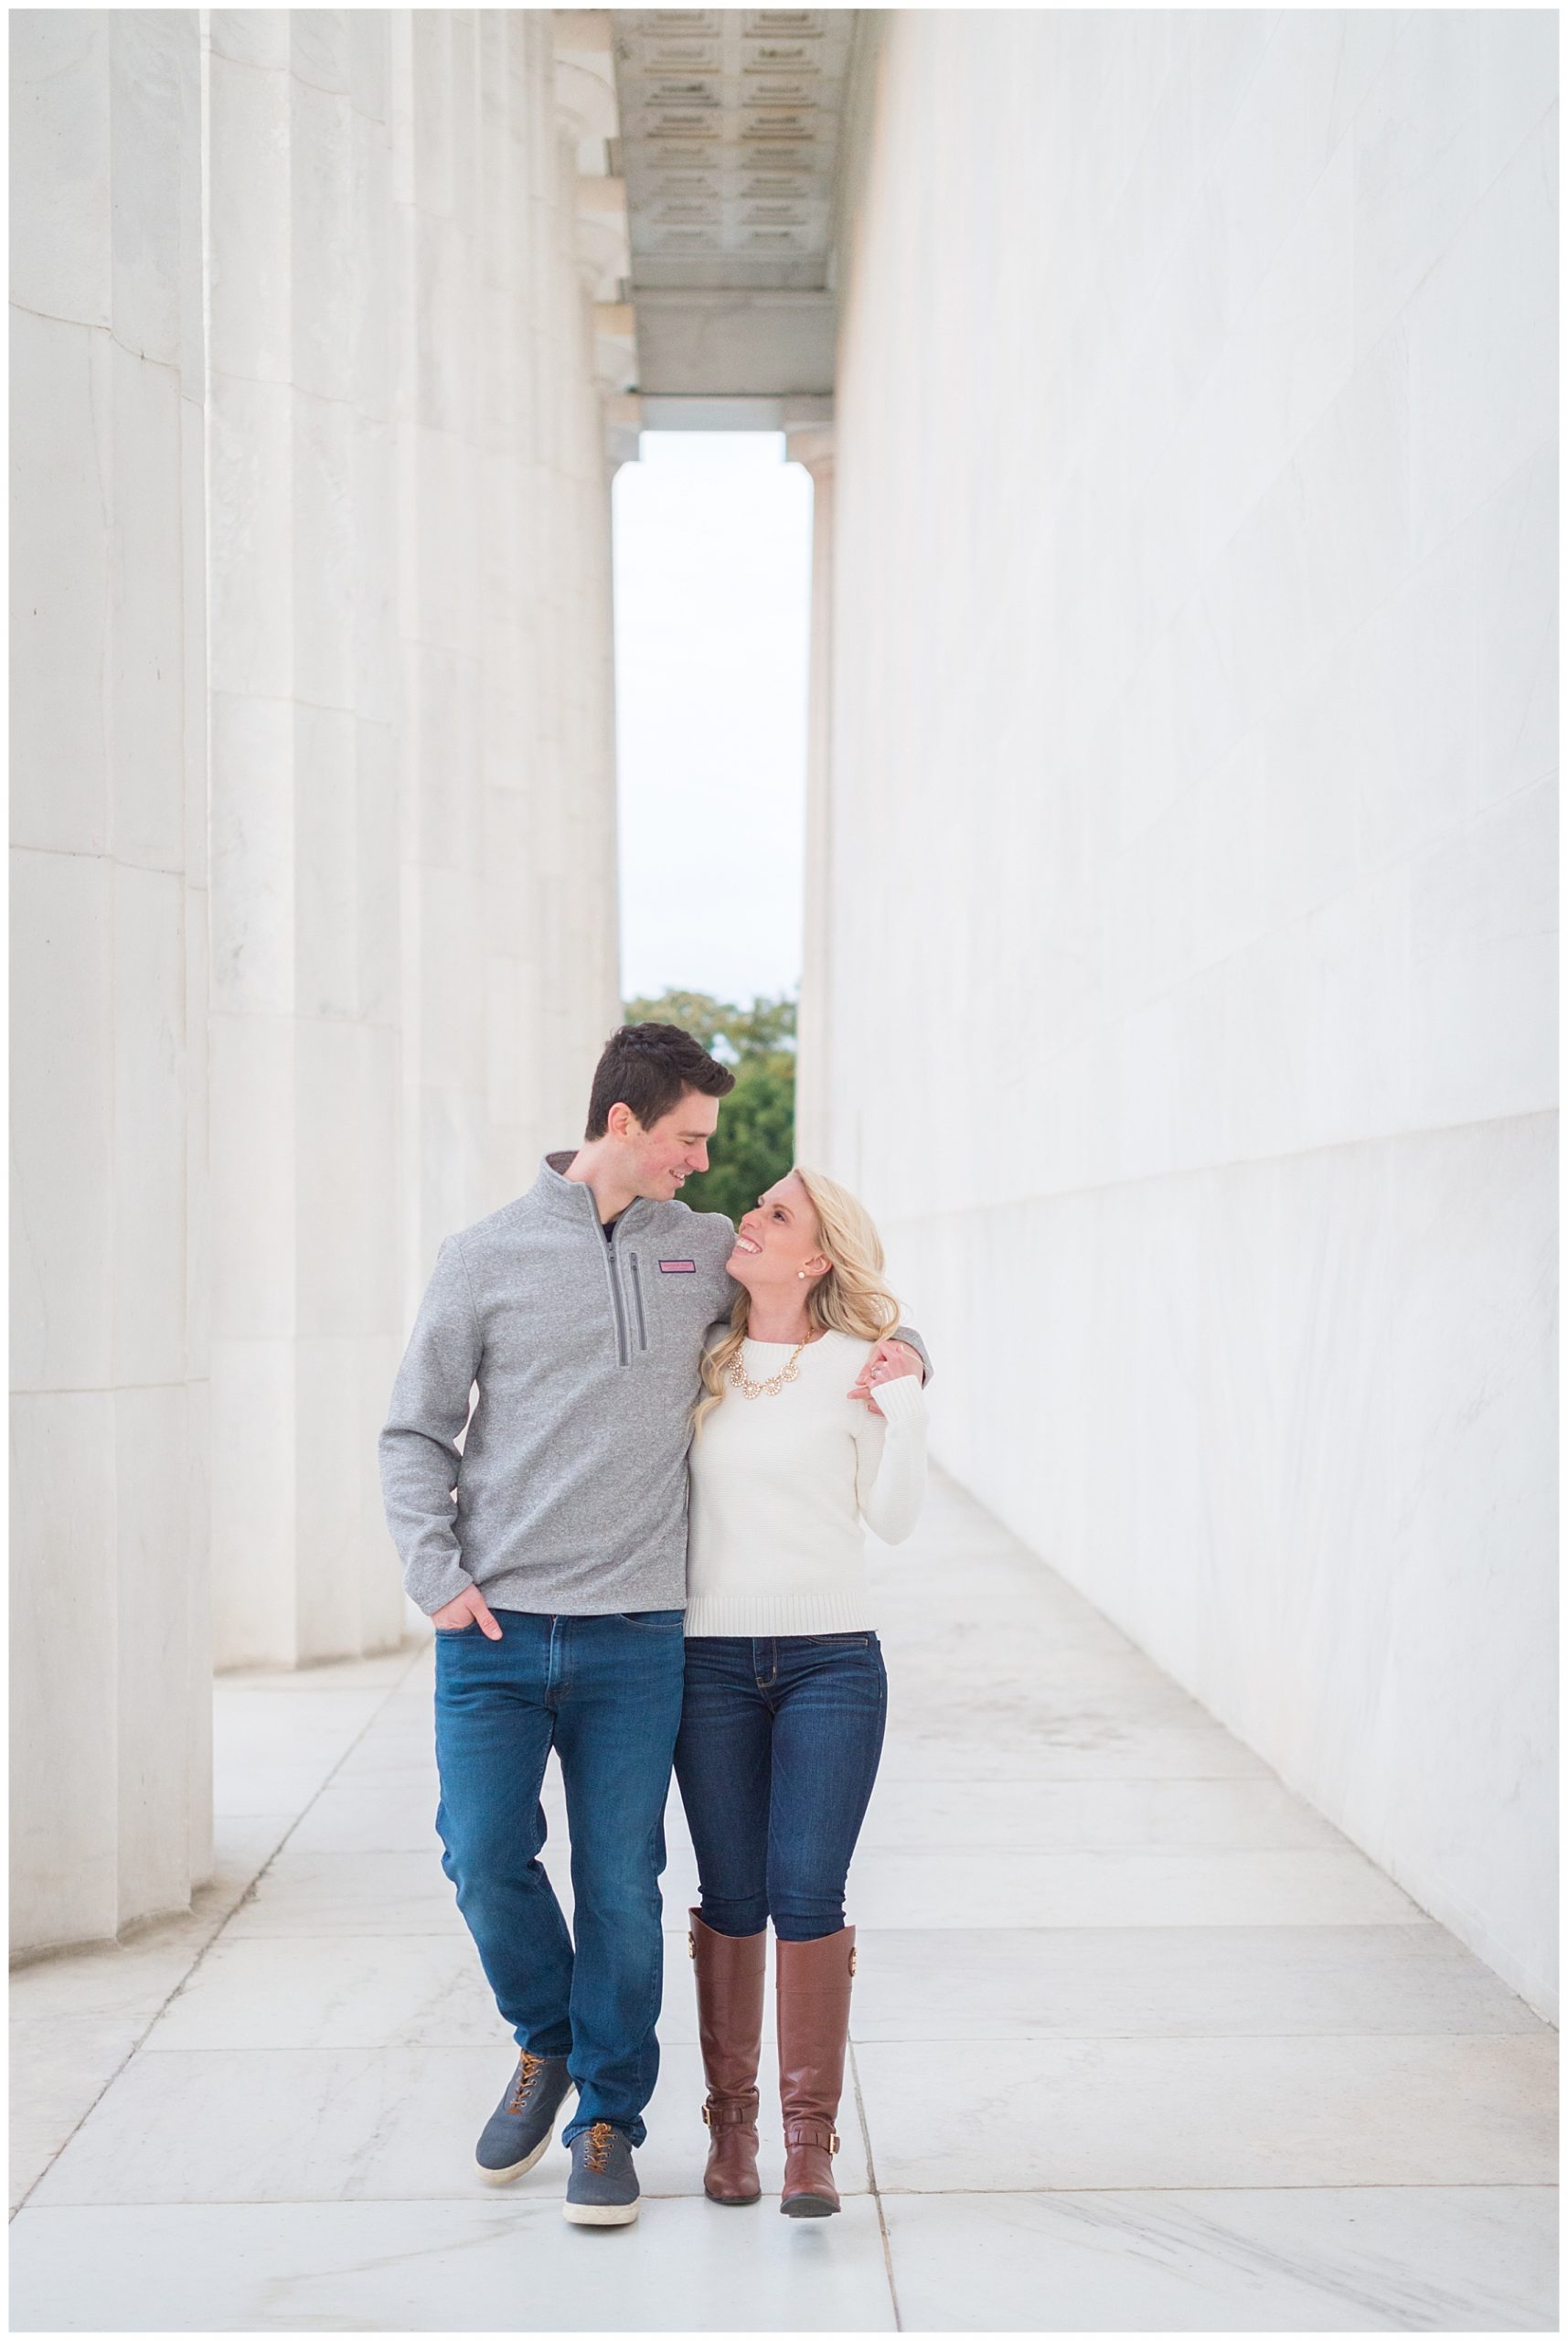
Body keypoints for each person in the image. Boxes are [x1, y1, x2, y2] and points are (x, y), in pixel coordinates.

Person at [378, 1022, 930, 2228]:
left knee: (621, 1883)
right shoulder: (481, 1257)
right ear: (622, 1123)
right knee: (480, 1856)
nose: (701, 1166)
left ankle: (608, 2121)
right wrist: (436, 1575)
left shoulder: (696, 1255)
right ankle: (548, 2039)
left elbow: (820, 1315)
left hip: (639, 1634)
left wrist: (904, 1355)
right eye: (687, 1140)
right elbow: (413, 1429)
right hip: (494, 1627)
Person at [674, 1165, 927, 2218]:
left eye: (776, 1213)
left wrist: (906, 1397)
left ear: (816, 1255)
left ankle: (807, 2143)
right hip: (707, 1662)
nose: (751, 1217)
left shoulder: (860, 1369)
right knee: (730, 1897)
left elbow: (896, 1519)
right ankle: (731, 2128)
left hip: (831, 1661)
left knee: (806, 1895)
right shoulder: (701, 1356)